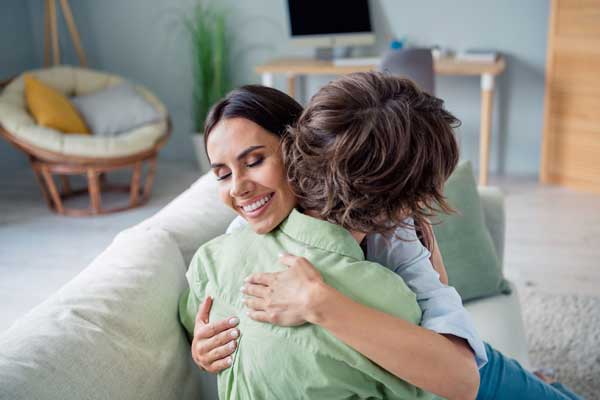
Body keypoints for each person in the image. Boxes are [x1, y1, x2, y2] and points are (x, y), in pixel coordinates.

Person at [186, 74, 583, 400]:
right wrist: (203, 344)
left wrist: (319, 302)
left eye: (255, 160)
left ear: (294, 146)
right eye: (221, 173)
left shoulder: (397, 236)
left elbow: (457, 361)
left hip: (453, 359)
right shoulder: (243, 234)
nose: (239, 187)